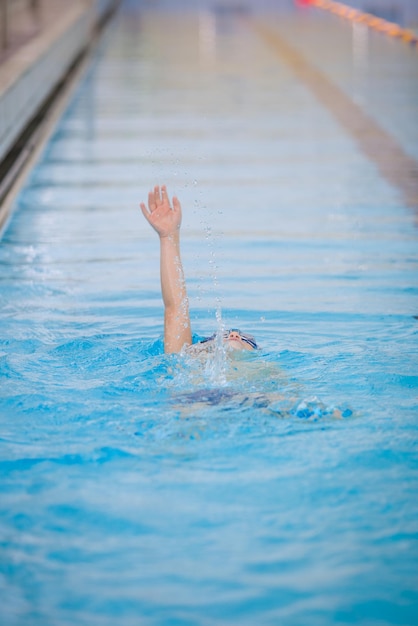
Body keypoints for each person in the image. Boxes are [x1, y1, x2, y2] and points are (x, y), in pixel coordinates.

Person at [140, 185, 258, 354]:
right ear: (200, 347)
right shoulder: (189, 359)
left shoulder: (268, 373)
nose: (233, 334)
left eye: (248, 340)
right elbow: (175, 309)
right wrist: (168, 237)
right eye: (223, 335)